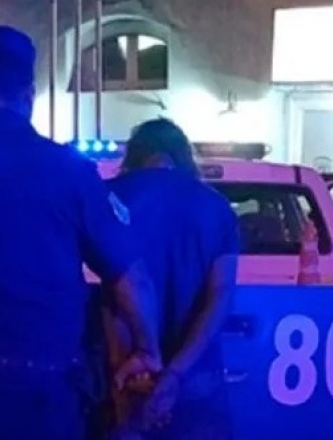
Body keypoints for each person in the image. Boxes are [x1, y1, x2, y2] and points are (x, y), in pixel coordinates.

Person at [0, 26, 161, 440]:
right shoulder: (69, 171)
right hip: (38, 386)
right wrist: (147, 349)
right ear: (30, 95)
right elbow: (130, 278)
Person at [106, 118, 240, 440]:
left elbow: (106, 291)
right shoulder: (216, 206)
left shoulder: (109, 199)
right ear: (183, 155)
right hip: (196, 377)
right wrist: (175, 374)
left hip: (124, 374)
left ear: (135, 155)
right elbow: (221, 295)